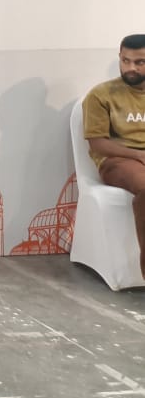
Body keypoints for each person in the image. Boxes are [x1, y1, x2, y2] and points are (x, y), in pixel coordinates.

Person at [81, 34, 145, 278]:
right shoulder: (101, 95)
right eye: (125, 60)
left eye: (139, 62)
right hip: (118, 161)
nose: (131, 68)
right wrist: (138, 154)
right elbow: (97, 143)